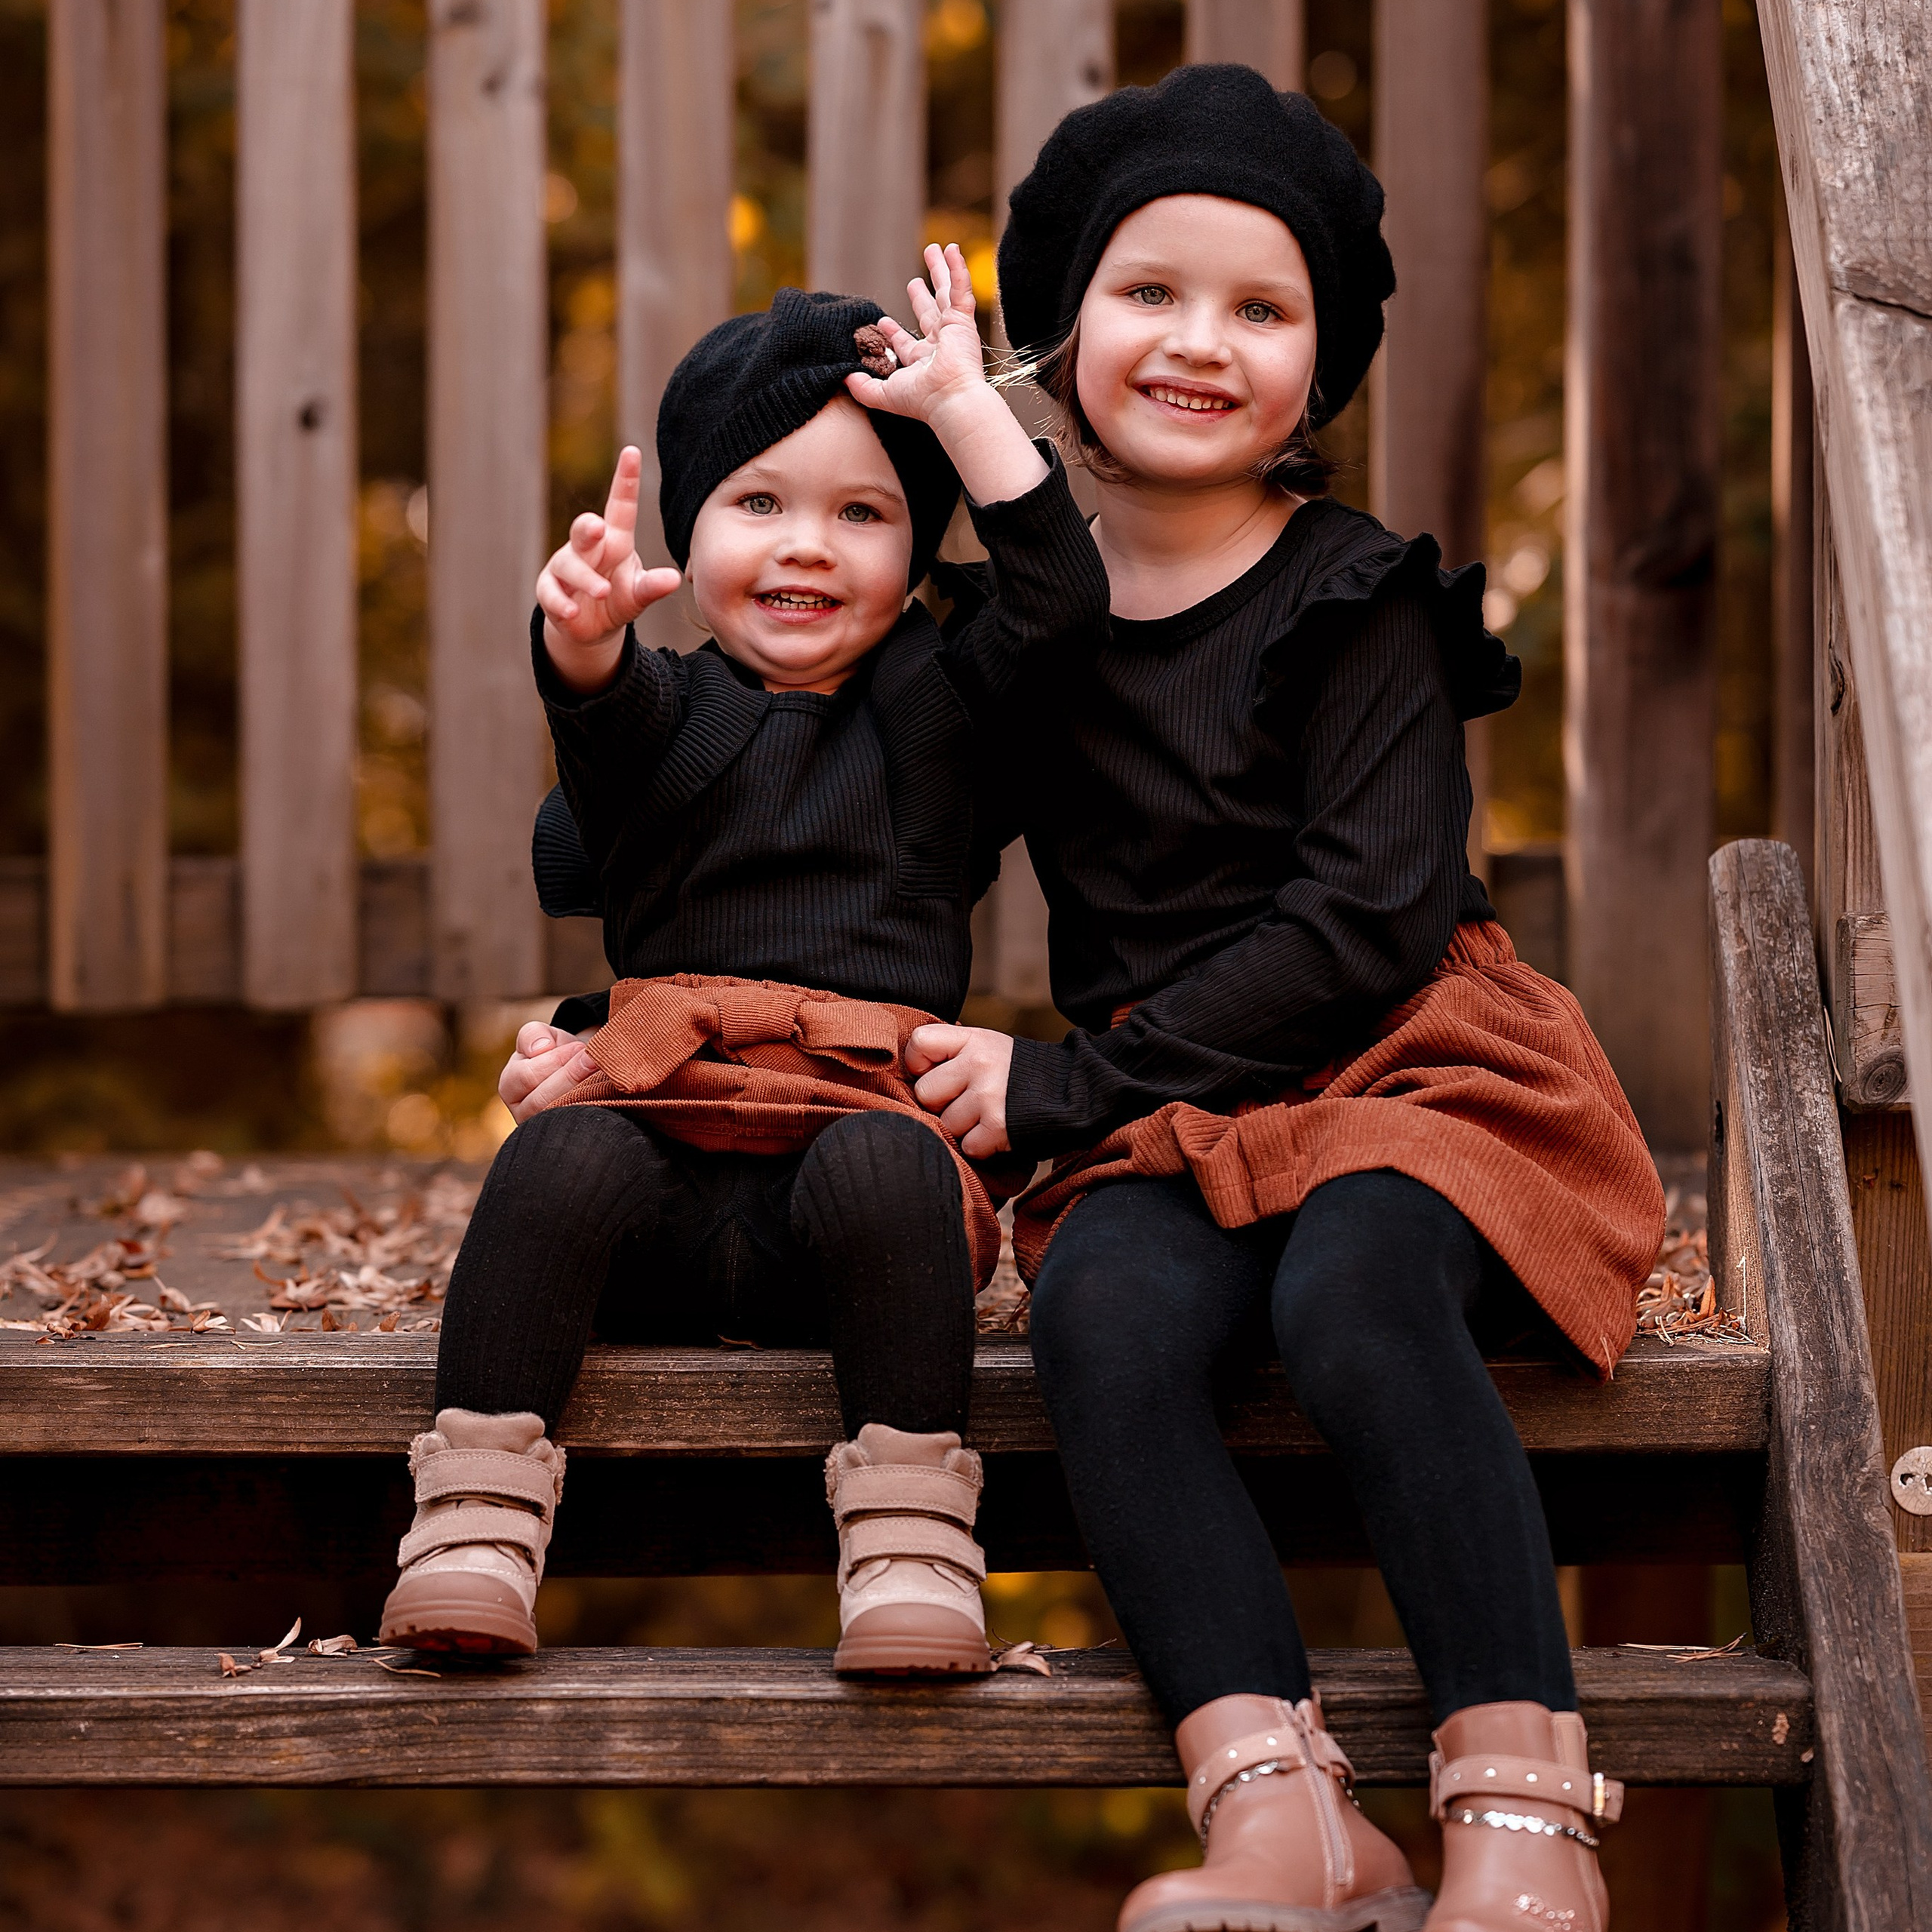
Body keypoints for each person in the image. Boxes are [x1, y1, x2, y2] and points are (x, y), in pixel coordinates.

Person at [900, 66, 1663, 1932]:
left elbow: (1367, 915)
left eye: (1260, 309)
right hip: (1174, 1120)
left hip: (1411, 1068)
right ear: (1060, 330)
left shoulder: (1359, 599)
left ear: (1316, 374)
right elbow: (872, 853)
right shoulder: (1006, 638)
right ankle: (1284, 1815)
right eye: (1148, 293)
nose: (1196, 341)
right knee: (1104, 1321)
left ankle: (1519, 1805)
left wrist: (1068, 1087)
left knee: (1357, 1282)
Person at [378, 267, 1106, 1680]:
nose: (808, 548)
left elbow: (1063, 605)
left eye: (864, 512)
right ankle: (473, 1518)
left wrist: (962, 409)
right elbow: (603, 720)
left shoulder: (939, 715)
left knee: (890, 1175)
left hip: (844, 1204)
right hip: (659, 1164)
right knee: (554, 1165)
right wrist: (579, 642)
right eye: (758, 504)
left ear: (914, 546)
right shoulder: (676, 708)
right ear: (693, 529)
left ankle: (909, 1539)